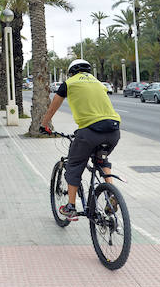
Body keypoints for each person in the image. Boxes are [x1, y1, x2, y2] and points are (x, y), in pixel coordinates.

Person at [41, 59, 121, 221]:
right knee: (101, 160)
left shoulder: (69, 83)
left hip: (89, 132)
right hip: (113, 130)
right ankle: (110, 193)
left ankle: (70, 206)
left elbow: (52, 107)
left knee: (74, 165)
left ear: (71, 72)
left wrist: (44, 125)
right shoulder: (99, 84)